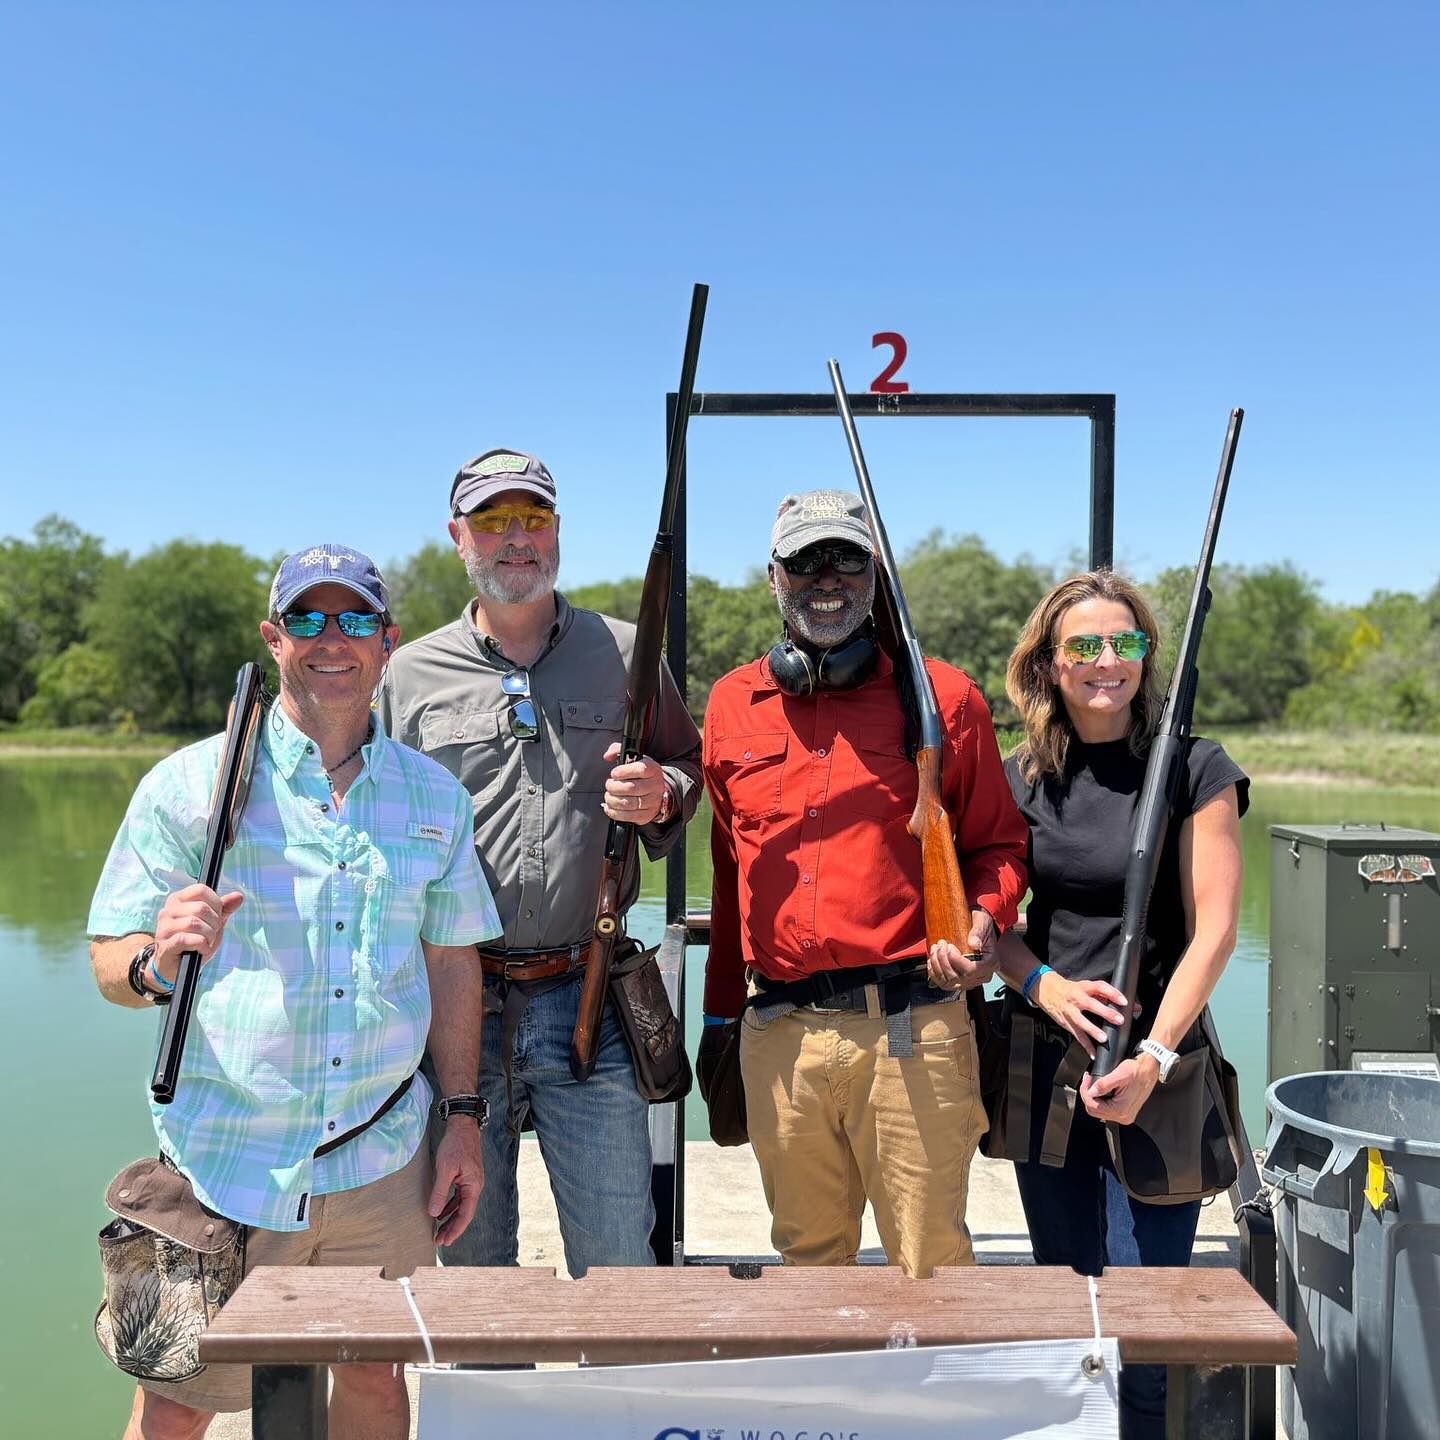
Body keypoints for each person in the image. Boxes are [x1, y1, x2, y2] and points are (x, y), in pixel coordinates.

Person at [88, 544, 501, 1440]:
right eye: (307, 619)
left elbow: (451, 960)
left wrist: (462, 1119)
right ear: (274, 639)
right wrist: (159, 961)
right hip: (223, 1160)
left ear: (387, 642)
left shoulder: (433, 797)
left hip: (382, 1158)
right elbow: (108, 963)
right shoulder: (190, 785)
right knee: (175, 1403)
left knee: (378, 1385)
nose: (332, 640)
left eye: (354, 619)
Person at [376, 448, 701, 1277]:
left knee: (618, 1262)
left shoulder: (628, 651)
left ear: (557, 531)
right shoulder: (405, 676)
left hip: (584, 992)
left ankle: (623, 1410)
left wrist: (660, 791)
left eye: (534, 518)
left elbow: (689, 770)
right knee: (473, 1265)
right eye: (493, 520)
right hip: (453, 1006)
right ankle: (494, 1406)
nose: (516, 538)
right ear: (459, 536)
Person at [700, 489, 1028, 1278]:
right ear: (772, 575)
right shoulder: (729, 703)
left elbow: (999, 846)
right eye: (805, 559)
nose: (827, 577)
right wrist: (716, 1024)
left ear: (875, 574)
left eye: (847, 557)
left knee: (932, 1267)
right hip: (779, 1035)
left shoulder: (945, 700)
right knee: (808, 1267)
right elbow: (726, 874)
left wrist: (981, 923)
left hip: (912, 1029)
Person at [985, 568, 1247, 1440]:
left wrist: (1153, 1056)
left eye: (1125, 642)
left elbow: (1214, 933)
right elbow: (992, 926)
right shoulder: (1019, 775)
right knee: (1069, 1301)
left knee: (1150, 1314)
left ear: (1147, 656)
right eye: (1084, 646)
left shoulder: (1196, 768)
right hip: (1044, 1062)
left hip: (1160, 1071)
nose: (1107, 661)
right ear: (1049, 665)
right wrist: (1043, 984)